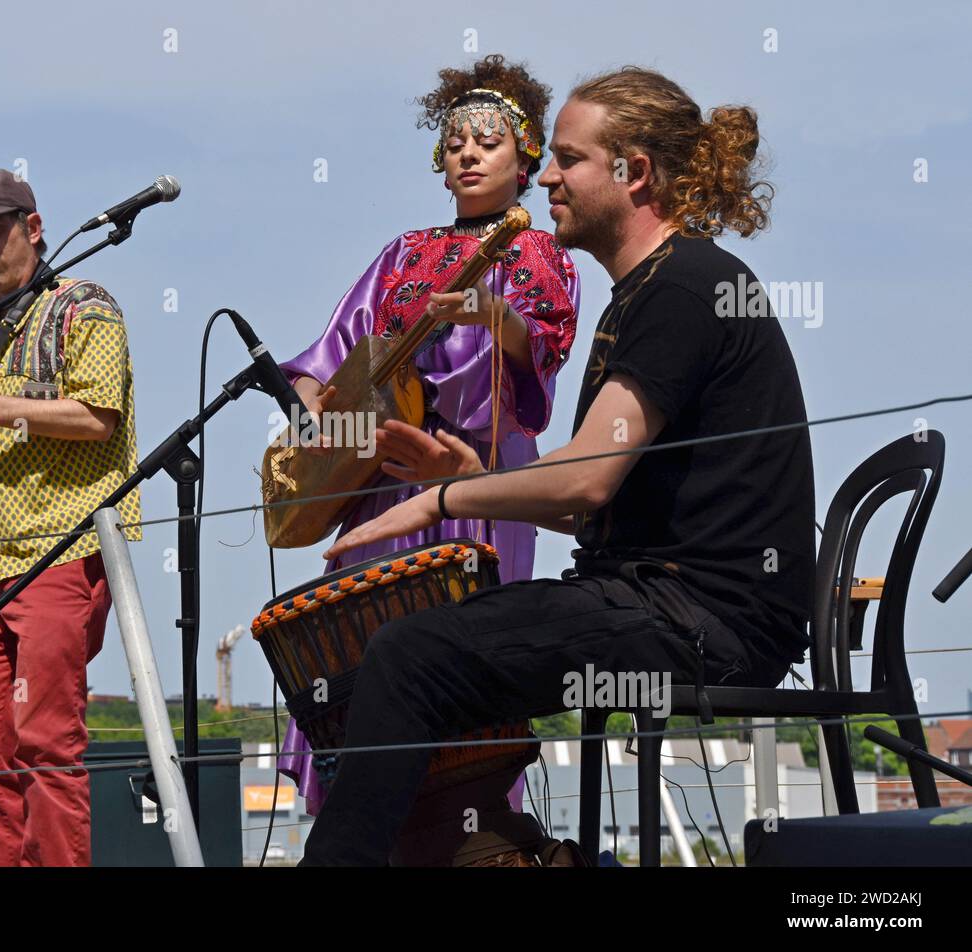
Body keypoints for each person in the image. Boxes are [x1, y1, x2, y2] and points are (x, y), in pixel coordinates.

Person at [299, 67, 815, 865]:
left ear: (632, 172)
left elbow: (583, 479)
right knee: (408, 657)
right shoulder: (646, 292)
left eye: (568, 159)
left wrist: (444, 496)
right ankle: (508, 856)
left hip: (701, 621)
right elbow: (585, 504)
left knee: (407, 656)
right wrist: (471, 467)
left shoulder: (685, 287)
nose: (545, 176)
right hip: (654, 602)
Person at [274, 55, 580, 816]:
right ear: (439, 165)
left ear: (526, 157)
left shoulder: (539, 252)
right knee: (360, 647)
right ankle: (364, 827)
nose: (470, 154)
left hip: (484, 470)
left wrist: (491, 315)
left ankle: (474, 832)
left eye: (489, 141)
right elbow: (330, 356)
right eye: (455, 144)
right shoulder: (403, 252)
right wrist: (311, 422)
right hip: (384, 474)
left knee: (463, 656)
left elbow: (541, 349)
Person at [0, 168, 142, 866]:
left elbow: (97, 416)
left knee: (46, 741)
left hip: (59, 550)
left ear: (33, 228)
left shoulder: (86, 304)